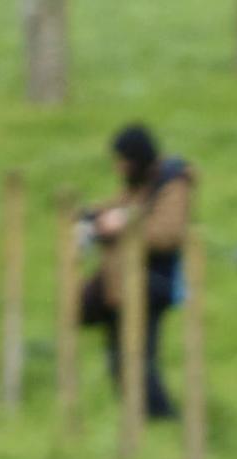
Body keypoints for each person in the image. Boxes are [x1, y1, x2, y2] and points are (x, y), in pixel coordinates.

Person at [79, 124, 194, 420]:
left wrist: (123, 224)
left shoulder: (173, 184)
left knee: (140, 360)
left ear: (138, 158)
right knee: (119, 358)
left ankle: (161, 419)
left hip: (152, 284)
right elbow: (124, 205)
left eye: (123, 161)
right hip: (122, 285)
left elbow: (167, 233)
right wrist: (93, 215)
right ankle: (139, 418)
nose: (119, 167)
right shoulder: (142, 183)